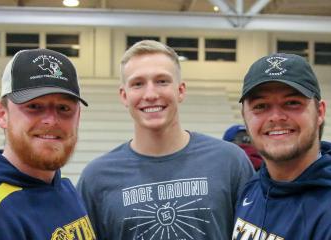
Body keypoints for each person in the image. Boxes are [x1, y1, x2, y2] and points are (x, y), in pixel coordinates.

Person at [77, 40, 254, 239]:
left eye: (162, 81)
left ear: (180, 90)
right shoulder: (96, 179)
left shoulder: (229, 162)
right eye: (138, 84)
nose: (151, 94)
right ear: (124, 95)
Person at [0, 49, 96, 239]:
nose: (51, 120)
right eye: (34, 106)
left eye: (64, 108)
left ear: (78, 116)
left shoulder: (65, 190)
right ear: (1, 114)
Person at [232, 53, 331, 239]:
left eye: (292, 103)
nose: (276, 116)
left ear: (320, 112)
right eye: (260, 106)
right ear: (245, 116)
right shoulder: (253, 188)